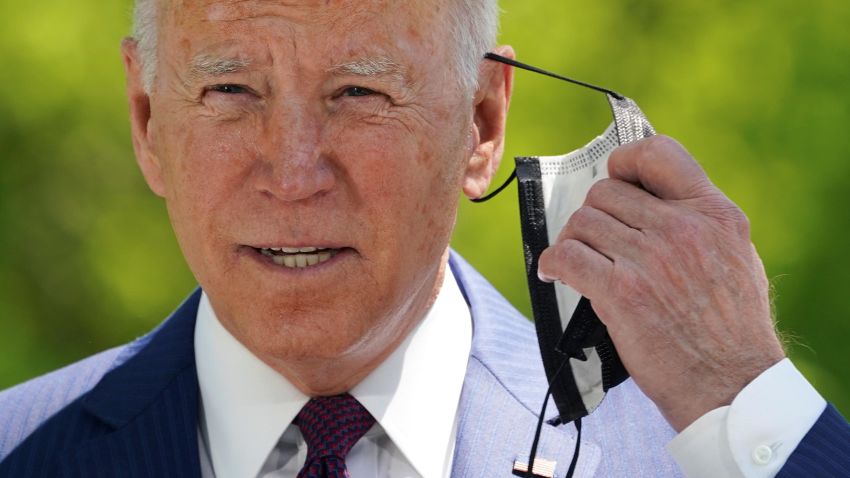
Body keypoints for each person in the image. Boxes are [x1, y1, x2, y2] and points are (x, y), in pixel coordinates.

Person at [0, 0, 847, 476]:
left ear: (482, 123)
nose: (294, 173)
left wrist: (747, 397)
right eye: (228, 89)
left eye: (360, 92)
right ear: (147, 122)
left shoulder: (691, 456)